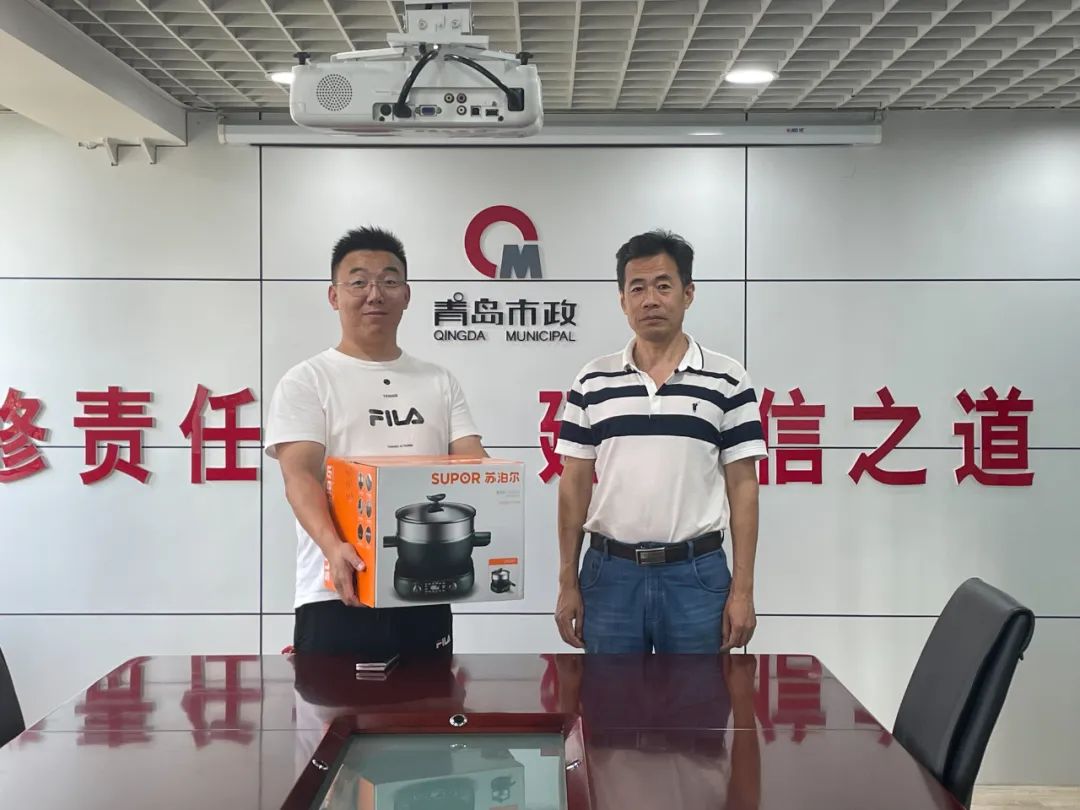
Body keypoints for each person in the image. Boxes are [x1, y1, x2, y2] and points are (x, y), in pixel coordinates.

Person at [266, 226, 485, 658]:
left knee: (429, 700)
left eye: (388, 280)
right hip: (336, 588)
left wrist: (501, 491)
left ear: (407, 294)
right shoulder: (307, 380)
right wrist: (334, 548)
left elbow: (473, 461)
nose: (374, 294)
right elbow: (299, 478)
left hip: (426, 587)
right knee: (332, 703)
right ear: (334, 296)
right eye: (359, 282)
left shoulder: (438, 381)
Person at [554, 229, 766, 653]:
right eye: (637, 288)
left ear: (688, 293)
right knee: (609, 695)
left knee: (698, 695)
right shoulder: (592, 380)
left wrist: (743, 591)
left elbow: (743, 487)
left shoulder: (727, 378)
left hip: (696, 577)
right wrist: (566, 582)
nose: (650, 299)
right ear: (623, 301)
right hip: (609, 576)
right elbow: (573, 485)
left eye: (663, 286)